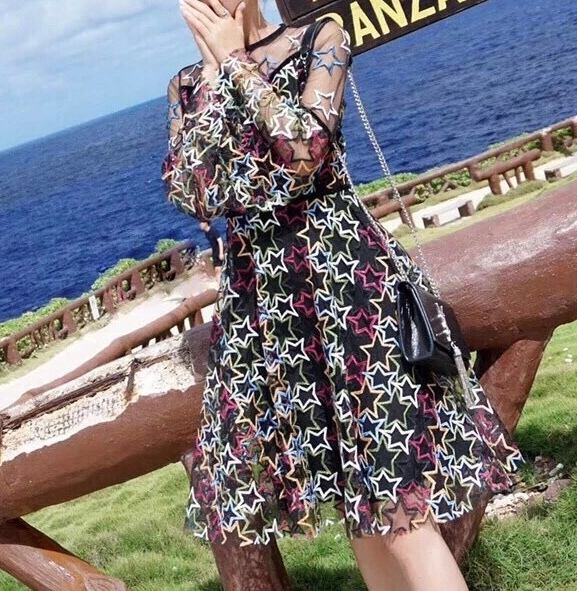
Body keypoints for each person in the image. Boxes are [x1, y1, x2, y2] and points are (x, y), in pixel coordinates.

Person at [160, 1, 525, 589]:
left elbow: (305, 149)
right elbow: (192, 194)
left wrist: (235, 64)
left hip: (347, 290)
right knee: (362, 514)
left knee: (401, 512)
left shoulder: (319, 38)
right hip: (267, 316)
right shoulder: (186, 86)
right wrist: (212, 75)